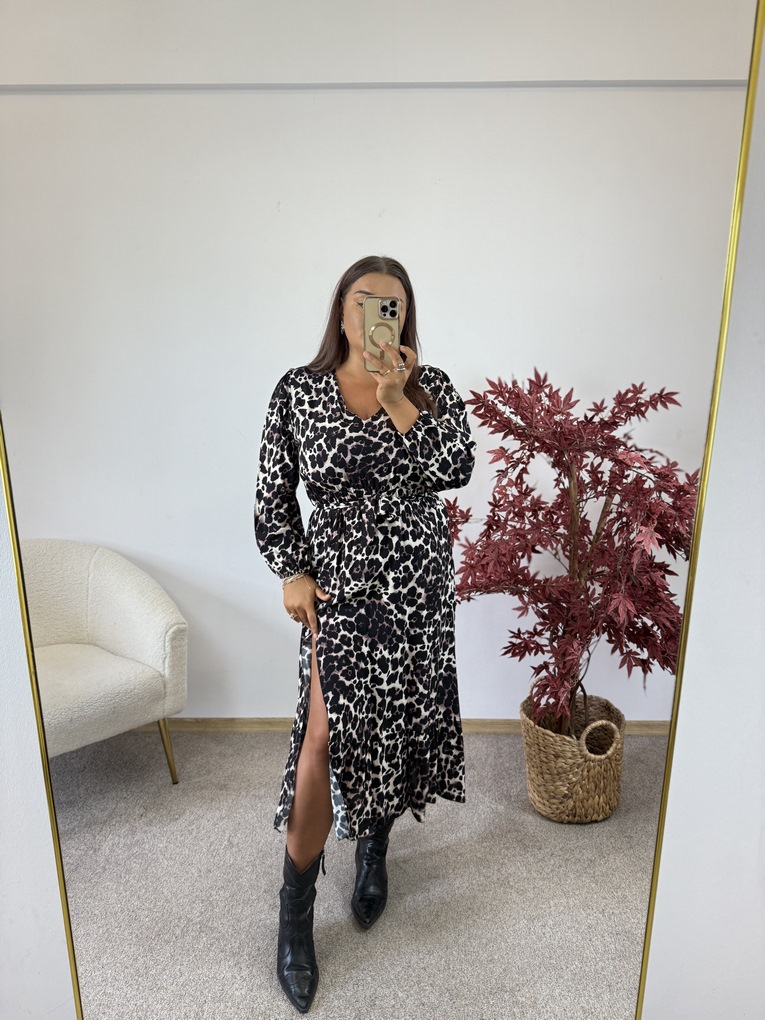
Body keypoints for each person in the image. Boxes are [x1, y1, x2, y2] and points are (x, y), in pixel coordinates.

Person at [253, 254, 476, 1013]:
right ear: (341, 311)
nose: (379, 313)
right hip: (340, 585)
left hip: (415, 584)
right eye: (364, 300)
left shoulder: (428, 387)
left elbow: (455, 467)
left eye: (393, 304)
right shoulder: (298, 390)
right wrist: (290, 569)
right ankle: (295, 915)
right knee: (322, 736)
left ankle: (374, 844)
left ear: (405, 317)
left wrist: (397, 398)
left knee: (394, 720)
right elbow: (274, 491)